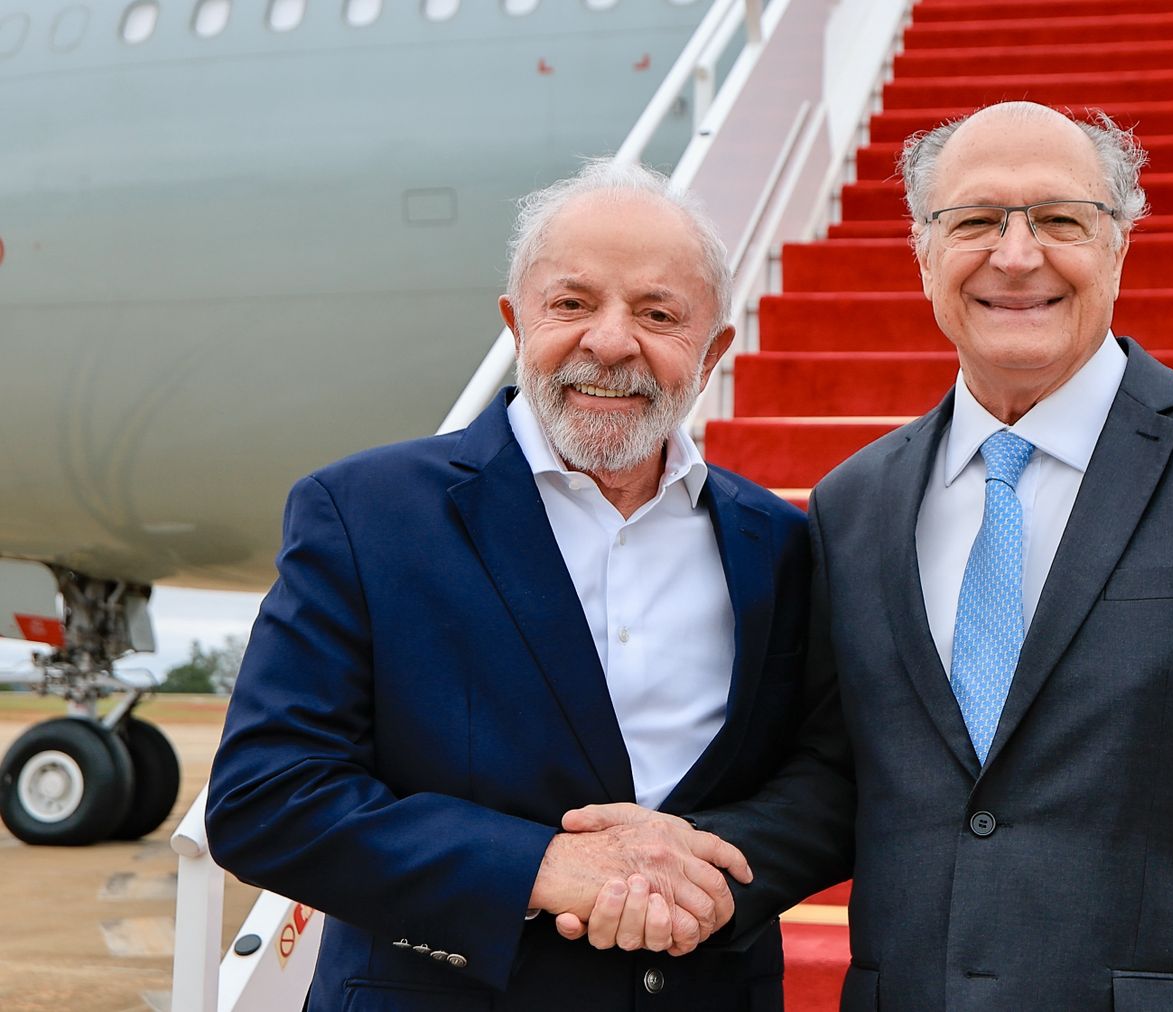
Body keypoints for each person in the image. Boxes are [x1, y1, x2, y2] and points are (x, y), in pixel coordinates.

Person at [564, 102, 1173, 1010]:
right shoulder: (853, 505)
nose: (1016, 257)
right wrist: (685, 867)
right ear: (924, 254)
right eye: (975, 220)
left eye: (1060, 219)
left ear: (1119, 244)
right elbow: (840, 779)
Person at [204, 160, 813, 1010]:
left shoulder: (778, 542)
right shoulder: (363, 514)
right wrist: (541, 866)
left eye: (658, 314)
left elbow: (822, 777)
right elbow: (267, 797)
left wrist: (703, 875)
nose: (610, 342)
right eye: (572, 304)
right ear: (516, 323)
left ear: (711, 353)